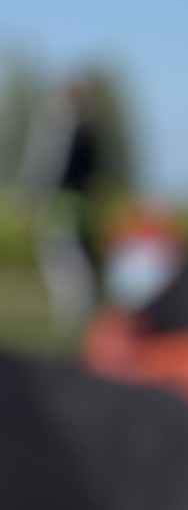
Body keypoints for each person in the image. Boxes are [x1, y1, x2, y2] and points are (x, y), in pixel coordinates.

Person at [19, 72, 108, 327]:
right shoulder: (90, 131)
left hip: (63, 202)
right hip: (80, 202)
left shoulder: (69, 132)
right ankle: (77, 313)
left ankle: (73, 315)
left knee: (63, 258)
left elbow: (52, 166)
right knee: (73, 256)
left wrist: (35, 194)